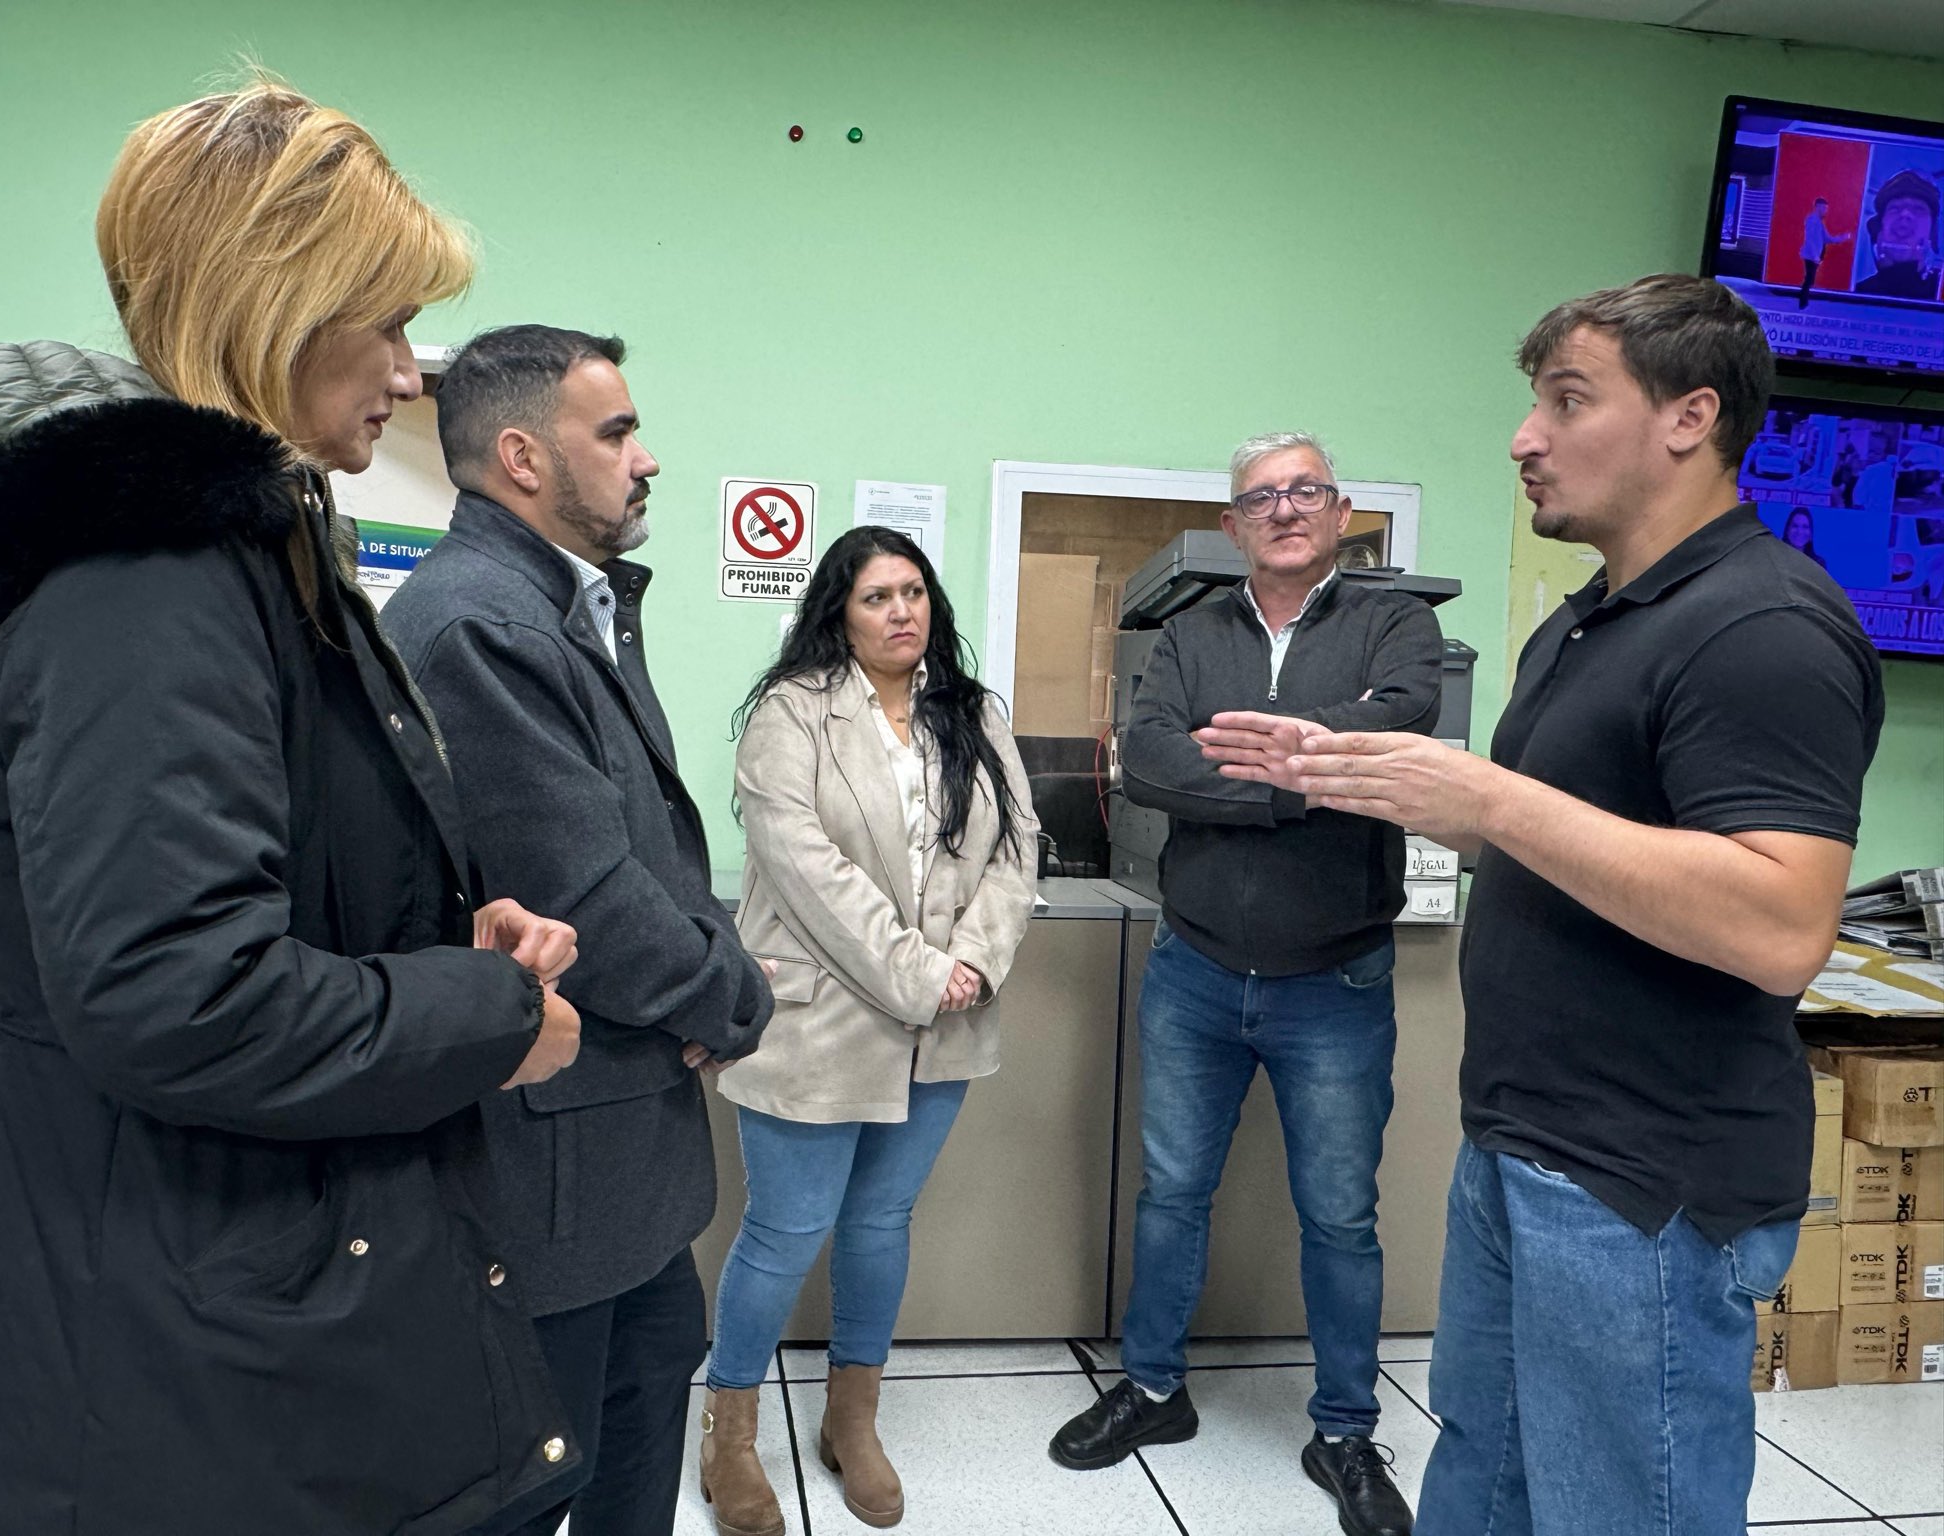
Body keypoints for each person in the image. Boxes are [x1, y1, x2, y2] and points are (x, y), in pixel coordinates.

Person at [0, 80, 584, 1536]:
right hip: (157, 1346)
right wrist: (493, 1014)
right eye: (386, 323)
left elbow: (239, 903)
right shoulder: (149, 584)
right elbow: (179, 994)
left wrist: (436, 941)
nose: (407, 372)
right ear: (278, 303)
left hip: (202, 1291)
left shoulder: (238, 558)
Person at [1200, 275, 1882, 1535]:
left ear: (1688, 416)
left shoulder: (1761, 624)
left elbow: (1780, 925)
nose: (1523, 437)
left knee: (1614, 1508)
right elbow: (1566, 847)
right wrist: (1408, 793)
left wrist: (1492, 798)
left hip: (1641, 1183)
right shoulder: (1584, 624)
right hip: (1521, 1144)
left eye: (1566, 402)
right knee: (1482, 1482)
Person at [380, 324, 776, 1536]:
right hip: (554, 1176)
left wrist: (708, 969)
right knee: (538, 1481)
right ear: (522, 458)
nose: (644, 458)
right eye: (615, 433)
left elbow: (650, 849)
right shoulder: (482, 626)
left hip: (619, 1163)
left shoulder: (558, 605)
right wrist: (732, 998)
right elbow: (587, 896)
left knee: (637, 1443)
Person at [1048, 434, 1442, 1536]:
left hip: (1337, 980)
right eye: (1260, 497)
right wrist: (1297, 781)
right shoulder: (1189, 632)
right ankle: (1153, 1391)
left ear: (1341, 511)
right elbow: (1152, 757)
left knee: (1340, 1216)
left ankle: (1344, 1431)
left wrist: (1247, 757)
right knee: (1170, 1192)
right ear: (1231, 525)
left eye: (1305, 490)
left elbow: (1400, 722)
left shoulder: (1394, 625)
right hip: (1197, 969)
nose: (1284, 509)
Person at [703, 525, 1039, 1535]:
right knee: (785, 1230)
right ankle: (727, 1435)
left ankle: (851, 1419)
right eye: (876, 597)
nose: (902, 612)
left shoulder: (972, 712)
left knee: (881, 1222)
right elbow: (805, 870)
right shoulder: (791, 713)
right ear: (838, 614)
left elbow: (1016, 851)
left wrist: (973, 960)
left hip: (947, 1020)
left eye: (914, 592)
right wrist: (924, 974)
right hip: (821, 1019)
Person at [1854, 169, 1942, 301]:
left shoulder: (1940, 292)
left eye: (1919, 209)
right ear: (1879, 229)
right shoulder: (1855, 294)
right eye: (1895, 209)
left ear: (1932, 233)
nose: (1905, 215)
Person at [1795, 196, 1851, 309]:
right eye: (1824, 208)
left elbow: (1828, 239)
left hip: (1813, 257)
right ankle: (1802, 303)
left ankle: (1803, 301)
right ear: (1817, 207)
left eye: (1826, 208)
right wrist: (1815, 256)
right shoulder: (1812, 221)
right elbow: (1810, 239)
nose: (1826, 211)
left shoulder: (1819, 222)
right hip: (1811, 257)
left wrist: (1842, 237)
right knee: (1809, 280)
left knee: (1809, 280)